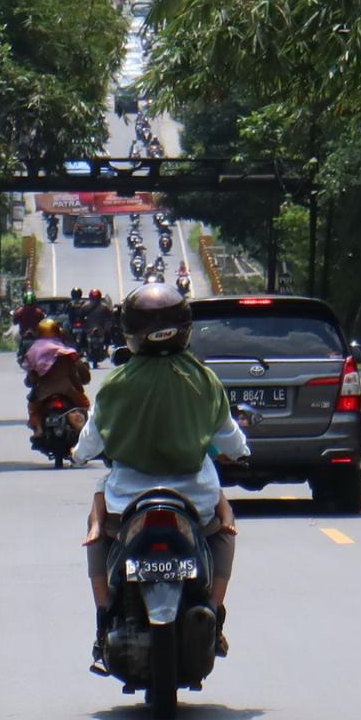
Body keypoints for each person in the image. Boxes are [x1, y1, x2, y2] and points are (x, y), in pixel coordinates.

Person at [74, 283, 248, 674]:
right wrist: (242, 453)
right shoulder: (204, 381)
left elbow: (89, 444)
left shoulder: (116, 385)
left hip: (127, 501)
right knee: (223, 530)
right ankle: (215, 614)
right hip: (195, 499)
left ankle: (103, 624)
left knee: (98, 531)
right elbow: (231, 438)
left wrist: (77, 454)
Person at [23, 318, 91, 439]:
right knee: (84, 406)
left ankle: (38, 430)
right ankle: (83, 431)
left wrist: (32, 382)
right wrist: (79, 388)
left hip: (43, 394)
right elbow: (79, 376)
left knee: (33, 410)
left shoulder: (33, 351)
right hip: (68, 391)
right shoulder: (67, 352)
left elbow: (31, 378)